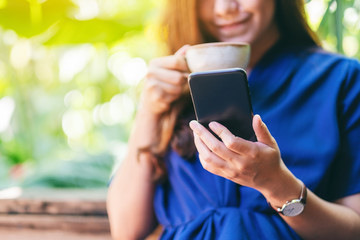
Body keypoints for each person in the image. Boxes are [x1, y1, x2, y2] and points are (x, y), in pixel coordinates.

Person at [107, 0, 360, 239]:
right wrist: (149, 111)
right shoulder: (171, 85)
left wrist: (277, 184)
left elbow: (354, 229)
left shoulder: (340, 80)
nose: (225, 8)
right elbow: (126, 230)